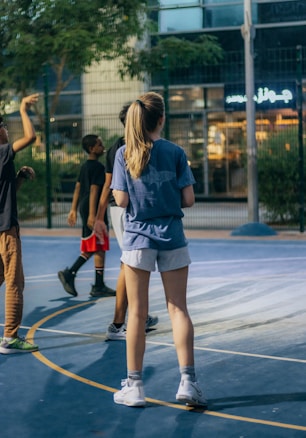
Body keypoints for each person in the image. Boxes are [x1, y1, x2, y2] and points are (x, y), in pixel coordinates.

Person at [110, 92, 207, 408]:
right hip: (172, 237)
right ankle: (188, 383)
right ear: (162, 119)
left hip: (138, 238)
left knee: (136, 313)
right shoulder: (176, 152)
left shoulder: (125, 153)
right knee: (178, 308)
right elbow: (189, 199)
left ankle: (135, 387)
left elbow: (121, 200)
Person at [94, 104, 158, 340]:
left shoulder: (137, 144)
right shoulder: (121, 147)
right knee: (128, 264)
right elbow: (108, 184)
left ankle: (140, 315)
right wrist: (99, 215)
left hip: (130, 209)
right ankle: (117, 324)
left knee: (135, 263)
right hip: (123, 209)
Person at [0, 94, 39, 354]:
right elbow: (30, 138)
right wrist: (23, 110)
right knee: (15, 281)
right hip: (5, 230)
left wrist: (20, 178)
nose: (5, 129)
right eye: (3, 126)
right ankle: (11, 337)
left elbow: (5, 190)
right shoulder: (2, 152)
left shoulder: (4, 161)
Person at [58, 134, 115, 298]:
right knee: (98, 244)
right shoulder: (98, 167)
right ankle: (72, 274)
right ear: (92, 148)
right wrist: (93, 215)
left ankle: (97, 284)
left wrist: (73, 209)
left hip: (85, 206)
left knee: (96, 245)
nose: (103, 146)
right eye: (99, 144)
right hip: (94, 208)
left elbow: (77, 188)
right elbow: (94, 190)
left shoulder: (85, 166)